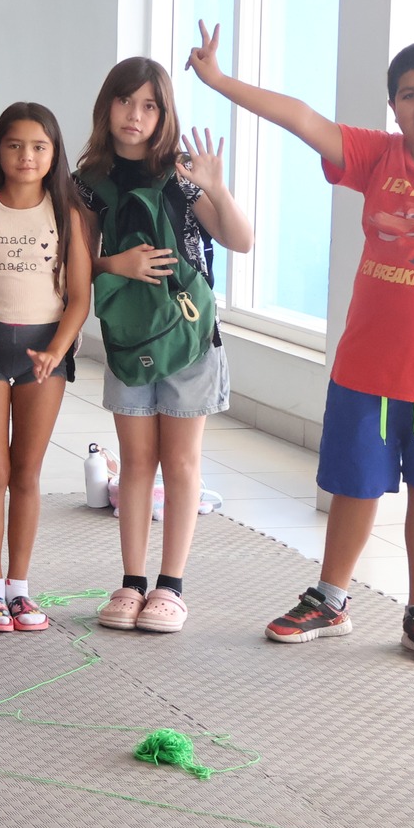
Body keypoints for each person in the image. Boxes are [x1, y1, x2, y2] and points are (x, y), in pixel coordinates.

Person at [187, 26, 414, 666]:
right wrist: (218, 81)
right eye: (410, 94)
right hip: (368, 365)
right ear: (394, 106)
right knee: (354, 484)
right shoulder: (380, 156)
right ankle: (330, 599)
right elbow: (300, 117)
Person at [74, 56, 252, 635]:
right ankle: (131, 581)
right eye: (127, 102)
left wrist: (217, 190)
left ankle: (171, 586)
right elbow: (75, 264)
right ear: (108, 106)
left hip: (190, 335)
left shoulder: (180, 174)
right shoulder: (88, 181)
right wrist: (114, 263)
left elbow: (239, 240)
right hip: (129, 337)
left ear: (164, 113)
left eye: (150, 105)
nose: (136, 115)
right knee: (136, 461)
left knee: (180, 461)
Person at [0, 103, 92, 633]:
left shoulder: (67, 211)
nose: (27, 156)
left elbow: (80, 297)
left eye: (39, 147)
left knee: (27, 473)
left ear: (54, 154)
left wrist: (56, 351)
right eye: (15, 145)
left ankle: (20, 589)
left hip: (46, 355)